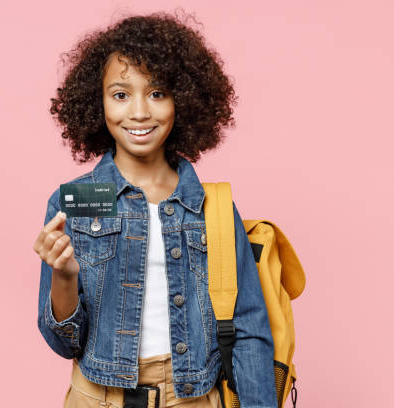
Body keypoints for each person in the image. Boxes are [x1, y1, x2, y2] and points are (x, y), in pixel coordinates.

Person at [33, 10, 277, 408]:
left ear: (184, 100)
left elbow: (250, 330)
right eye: (121, 94)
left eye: (158, 93)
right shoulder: (72, 203)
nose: (140, 112)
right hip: (98, 398)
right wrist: (64, 275)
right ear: (98, 103)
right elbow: (63, 342)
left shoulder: (211, 208)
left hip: (193, 398)